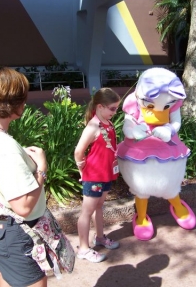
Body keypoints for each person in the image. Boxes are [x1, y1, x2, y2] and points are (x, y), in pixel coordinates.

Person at [0, 66, 48, 287]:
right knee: (35, 281)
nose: (25, 102)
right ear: (12, 104)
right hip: (12, 232)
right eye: (22, 98)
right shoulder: (5, 147)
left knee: (4, 275)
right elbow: (23, 207)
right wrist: (41, 168)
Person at [74, 87, 121, 263]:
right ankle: (84, 249)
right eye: (112, 108)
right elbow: (78, 152)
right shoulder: (93, 126)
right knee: (87, 211)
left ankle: (100, 237)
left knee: (99, 206)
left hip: (106, 174)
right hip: (94, 176)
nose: (115, 112)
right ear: (100, 107)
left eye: (116, 108)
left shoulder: (107, 124)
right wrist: (82, 169)